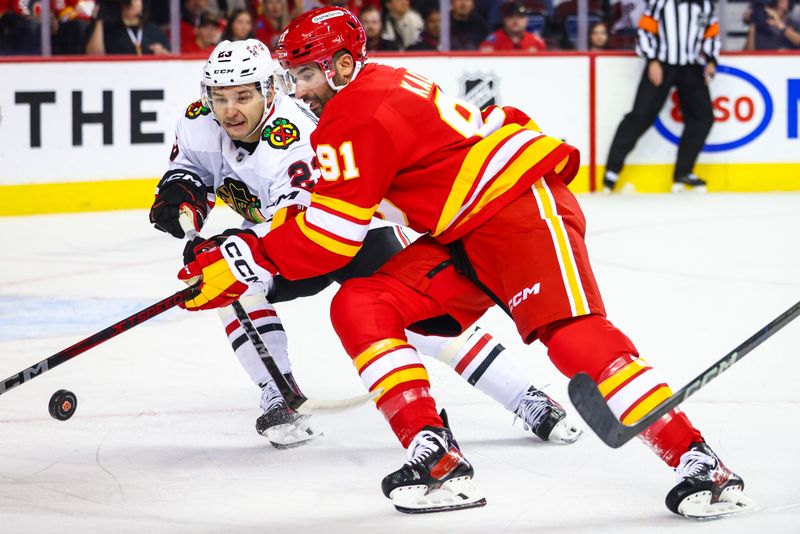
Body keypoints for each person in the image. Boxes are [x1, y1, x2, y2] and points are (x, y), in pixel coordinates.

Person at [177, 6, 754, 517]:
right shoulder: (359, 100)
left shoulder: (356, 112)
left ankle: (698, 459)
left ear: (342, 65)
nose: (298, 90)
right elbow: (325, 221)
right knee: (363, 302)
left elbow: (331, 240)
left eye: (306, 74)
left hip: (518, 212)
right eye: (294, 75)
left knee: (573, 339)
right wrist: (246, 250)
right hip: (462, 233)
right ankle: (436, 455)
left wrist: (243, 256)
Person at [150, 38, 582, 449]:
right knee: (231, 285)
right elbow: (192, 168)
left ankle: (525, 397)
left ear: (268, 90)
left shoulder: (292, 134)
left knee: (419, 322)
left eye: (242, 96)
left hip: (347, 230)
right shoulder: (197, 119)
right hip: (289, 239)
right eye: (220, 97)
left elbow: (301, 221)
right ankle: (278, 393)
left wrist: (235, 246)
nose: (229, 110)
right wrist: (181, 195)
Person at [602, 0, 719, 193]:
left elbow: (711, 34)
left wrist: (711, 60)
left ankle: (683, 172)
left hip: (691, 66)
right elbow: (645, 30)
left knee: (703, 117)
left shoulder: (705, 5)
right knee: (640, 115)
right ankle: (612, 170)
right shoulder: (661, 2)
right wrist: (652, 60)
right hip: (662, 63)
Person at [85, 0, 169, 55]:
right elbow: (94, 57)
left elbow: (172, 61)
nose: (131, 2)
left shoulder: (154, 31)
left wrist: (163, 54)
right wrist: (99, 20)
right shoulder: (107, 30)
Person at [479, 0, 546, 52]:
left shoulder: (536, 42)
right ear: (504, 20)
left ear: (526, 20)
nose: (515, 21)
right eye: (511, 17)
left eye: (520, 17)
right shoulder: (493, 41)